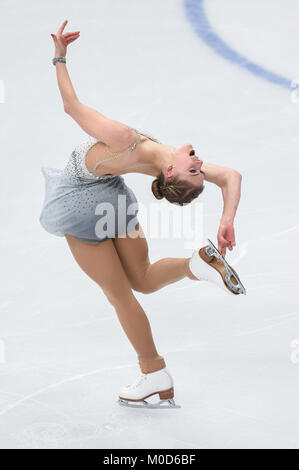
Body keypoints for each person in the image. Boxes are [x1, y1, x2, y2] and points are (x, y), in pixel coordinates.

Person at [41, 21, 245, 408]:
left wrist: (60, 56)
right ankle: (195, 264)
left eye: (194, 168)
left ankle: (153, 373)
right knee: (144, 280)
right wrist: (226, 220)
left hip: (79, 200)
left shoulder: (128, 142)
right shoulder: (164, 160)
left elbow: (71, 106)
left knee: (120, 295)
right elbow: (231, 176)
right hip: (114, 198)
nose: (199, 161)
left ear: (171, 174)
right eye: (198, 166)